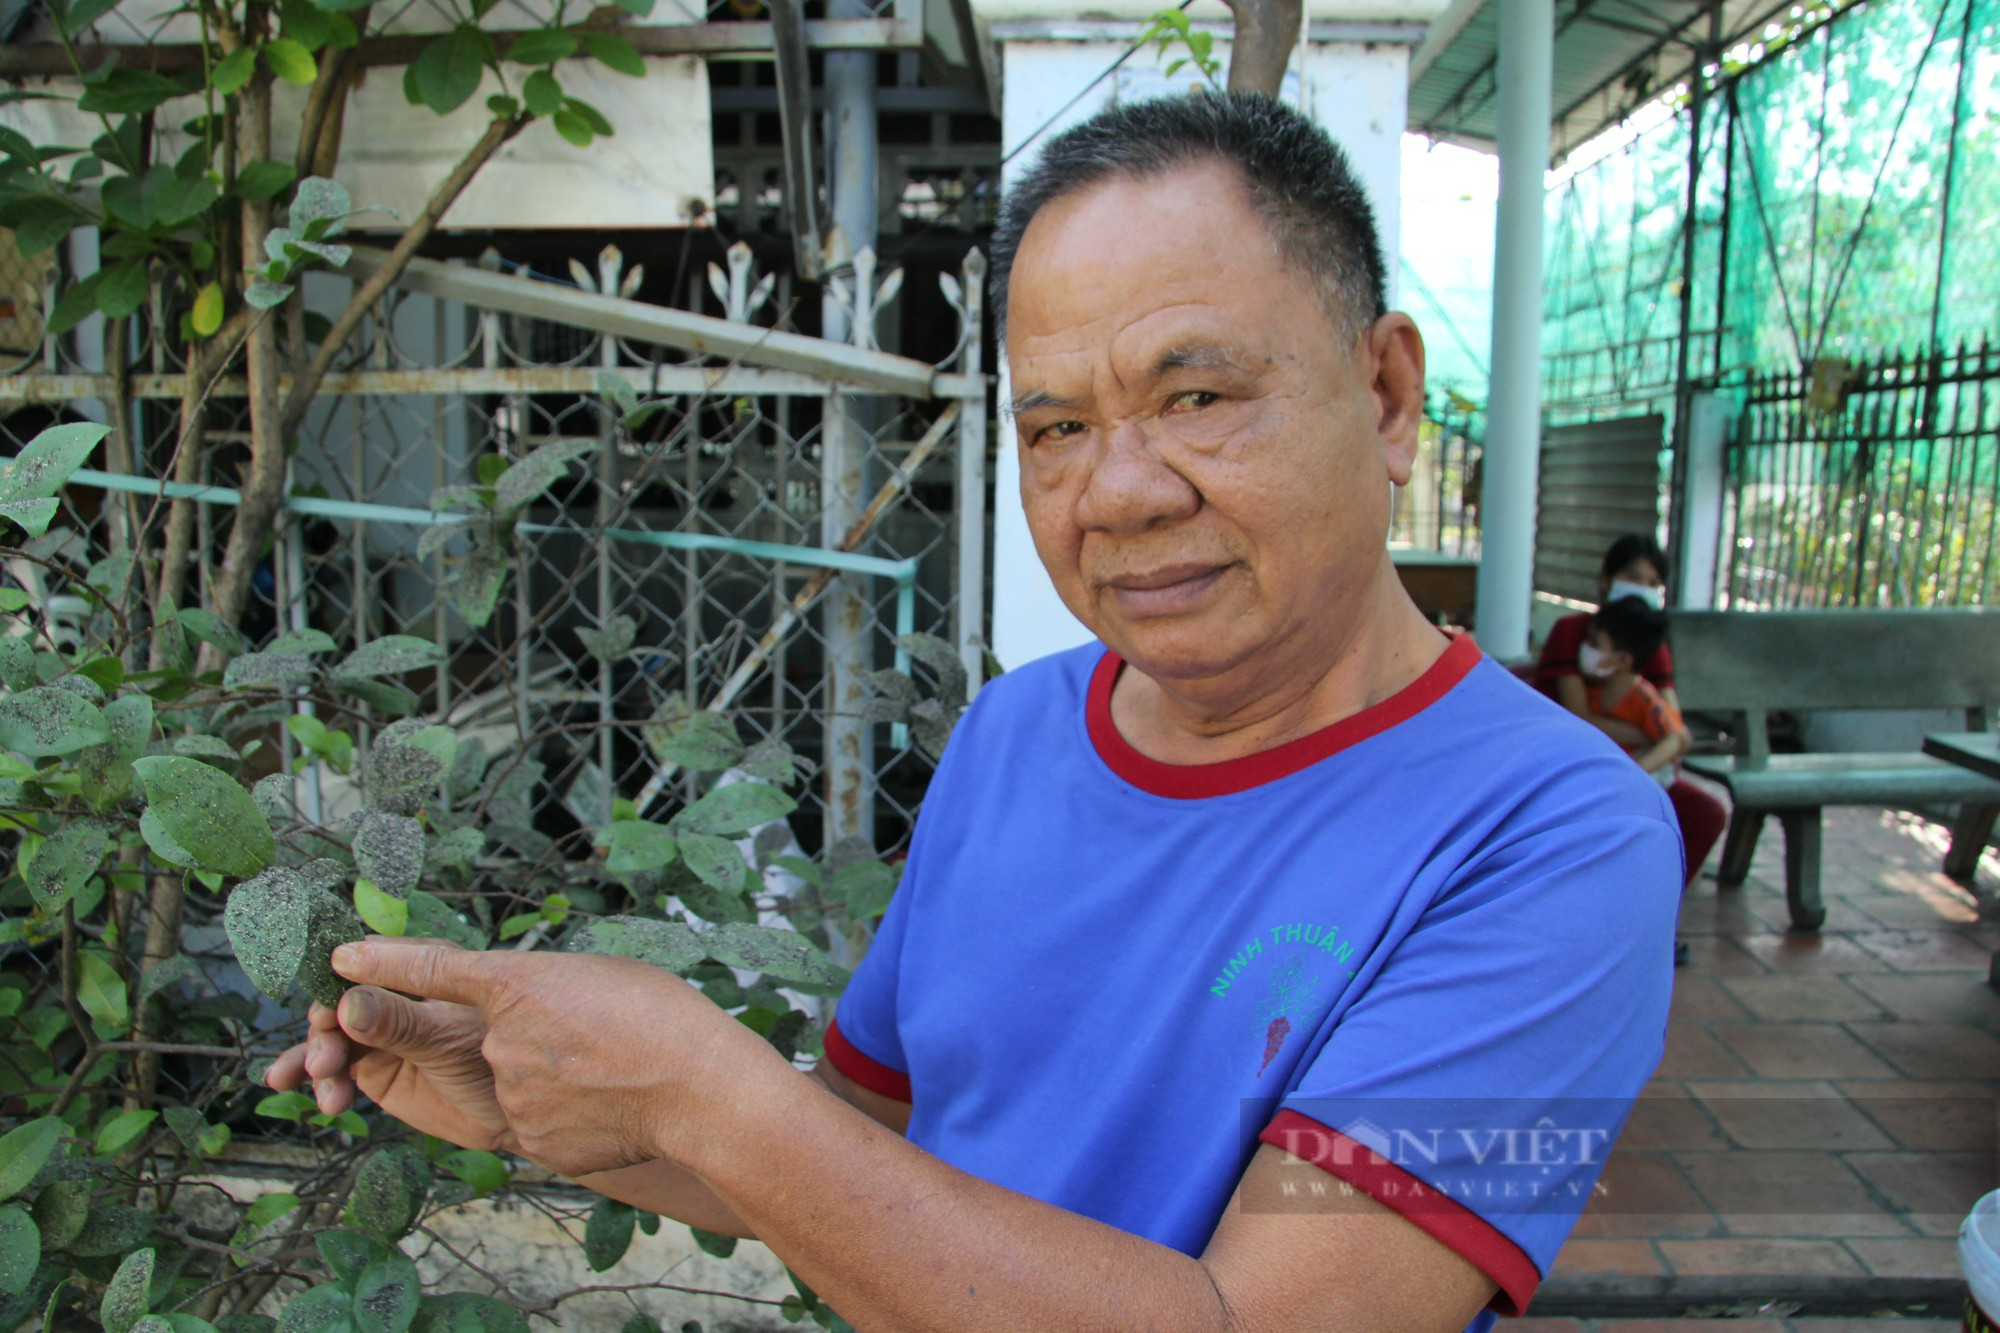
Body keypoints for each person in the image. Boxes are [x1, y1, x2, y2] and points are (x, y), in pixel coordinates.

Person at [269, 95, 1682, 1333]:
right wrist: (545, 1102)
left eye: (1194, 393)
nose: (1119, 491)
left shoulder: (1564, 838)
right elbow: (863, 1158)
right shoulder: (1021, 732)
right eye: (1059, 426)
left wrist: (713, 1089)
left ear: (1384, 395)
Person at [1534, 534, 1728, 886]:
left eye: (1654, 583)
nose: (1643, 588)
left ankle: (1660, 915)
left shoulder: (1648, 643)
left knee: (1705, 813)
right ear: (1606, 579)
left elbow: (1677, 733)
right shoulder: (1574, 632)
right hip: (1571, 763)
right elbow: (1584, 721)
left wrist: (1658, 740)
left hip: (1634, 767)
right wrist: (1649, 733)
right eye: (1634, 577)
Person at [1580, 597, 1691, 783]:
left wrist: (1637, 771)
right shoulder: (1594, 689)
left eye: (1595, 643)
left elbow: (1673, 740)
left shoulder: (1644, 698)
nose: (1585, 647)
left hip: (1649, 773)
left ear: (1623, 660)